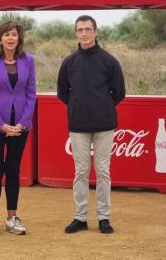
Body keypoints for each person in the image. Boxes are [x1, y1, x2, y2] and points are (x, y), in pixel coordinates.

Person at [57, 15, 125, 235]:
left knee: (103, 171)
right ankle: (81, 217)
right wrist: (79, 106)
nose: (84, 33)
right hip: (78, 126)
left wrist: (102, 106)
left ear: (96, 32)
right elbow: (62, 93)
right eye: (80, 30)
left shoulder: (109, 61)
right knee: (81, 172)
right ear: (76, 33)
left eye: (88, 29)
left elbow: (119, 93)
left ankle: (104, 218)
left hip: (105, 125)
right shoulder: (69, 62)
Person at [0, 21, 37, 236]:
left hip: (20, 125)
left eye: (14, 34)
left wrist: (22, 123)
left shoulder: (28, 60)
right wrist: (2, 125)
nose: (10, 38)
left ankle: (12, 217)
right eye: (6, 34)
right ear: (0, 39)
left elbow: (31, 94)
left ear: (19, 38)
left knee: (13, 170)